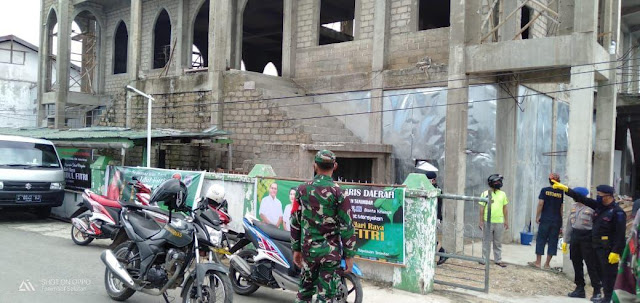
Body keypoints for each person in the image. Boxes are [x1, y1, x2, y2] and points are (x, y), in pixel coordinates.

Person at [290, 150, 356, 303]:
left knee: (304, 293)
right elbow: (347, 227)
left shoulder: (301, 190)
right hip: (330, 255)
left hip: (308, 252)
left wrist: (296, 249)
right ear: (335, 166)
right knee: (326, 297)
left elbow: (295, 221)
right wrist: (349, 256)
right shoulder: (340, 193)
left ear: (315, 166)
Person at [553, 181, 626, 303]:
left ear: (608, 196)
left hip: (608, 248)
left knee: (608, 274)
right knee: (600, 271)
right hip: (597, 246)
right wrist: (567, 190)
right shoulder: (599, 207)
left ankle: (607, 297)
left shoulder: (617, 212)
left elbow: (620, 234)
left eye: (600, 195)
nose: (597, 197)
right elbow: (582, 199)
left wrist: (616, 251)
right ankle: (602, 296)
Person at [561, 187, 602, 301]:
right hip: (575, 236)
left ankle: (597, 290)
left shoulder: (591, 207)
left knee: (591, 264)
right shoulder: (574, 207)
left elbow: (596, 225)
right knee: (576, 263)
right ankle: (579, 288)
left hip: (588, 237)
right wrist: (565, 240)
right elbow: (569, 224)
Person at [531, 173, 564, 269]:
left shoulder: (545, 190)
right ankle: (547, 264)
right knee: (553, 241)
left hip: (545, 219)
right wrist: (561, 222)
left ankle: (538, 262)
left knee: (541, 239)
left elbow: (541, 203)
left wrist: (537, 216)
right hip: (556, 221)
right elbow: (562, 208)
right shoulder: (561, 192)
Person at [479, 174, 509, 267]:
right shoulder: (485, 193)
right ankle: (484, 259)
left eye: (499, 181)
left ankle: (498, 260)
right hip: (487, 221)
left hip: (499, 221)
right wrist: (481, 221)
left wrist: (506, 220)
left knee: (498, 242)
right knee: (486, 241)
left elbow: (505, 208)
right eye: (496, 181)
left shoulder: (503, 194)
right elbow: (481, 208)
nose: (498, 183)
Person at [426, 171, 447, 265]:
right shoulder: (428, 188)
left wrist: (438, 218)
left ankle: (442, 253)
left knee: (432, 237)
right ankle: (442, 253)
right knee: (429, 236)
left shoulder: (437, 189)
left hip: (435, 216)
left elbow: (439, 206)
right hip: (428, 216)